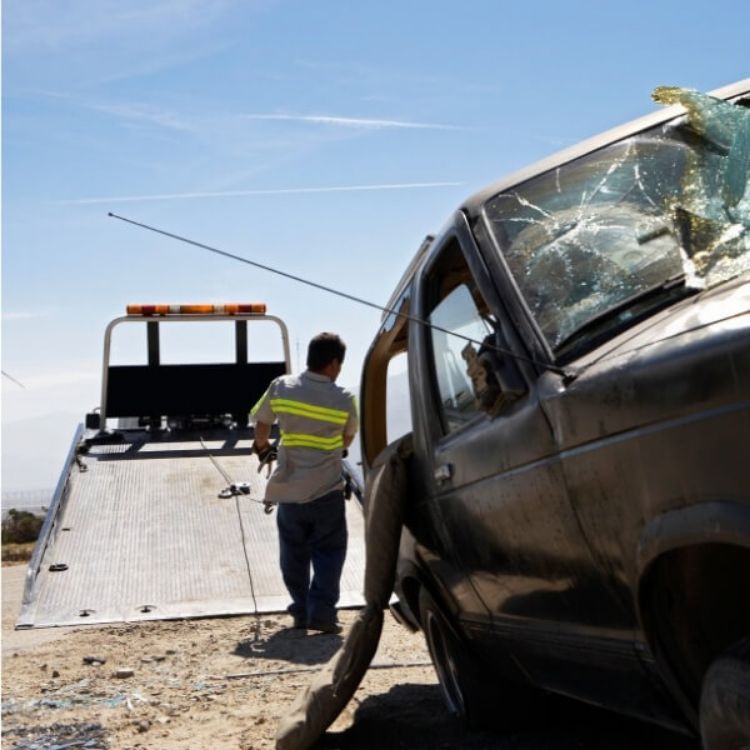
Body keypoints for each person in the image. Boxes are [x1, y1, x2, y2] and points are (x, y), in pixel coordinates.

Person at [250, 332, 358, 634]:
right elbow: (347, 439)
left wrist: (264, 448)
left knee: (293, 552)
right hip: (327, 491)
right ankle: (322, 613)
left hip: (290, 491)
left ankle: (300, 611)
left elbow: (262, 425)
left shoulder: (281, 386)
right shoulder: (345, 399)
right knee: (330, 551)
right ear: (333, 363)